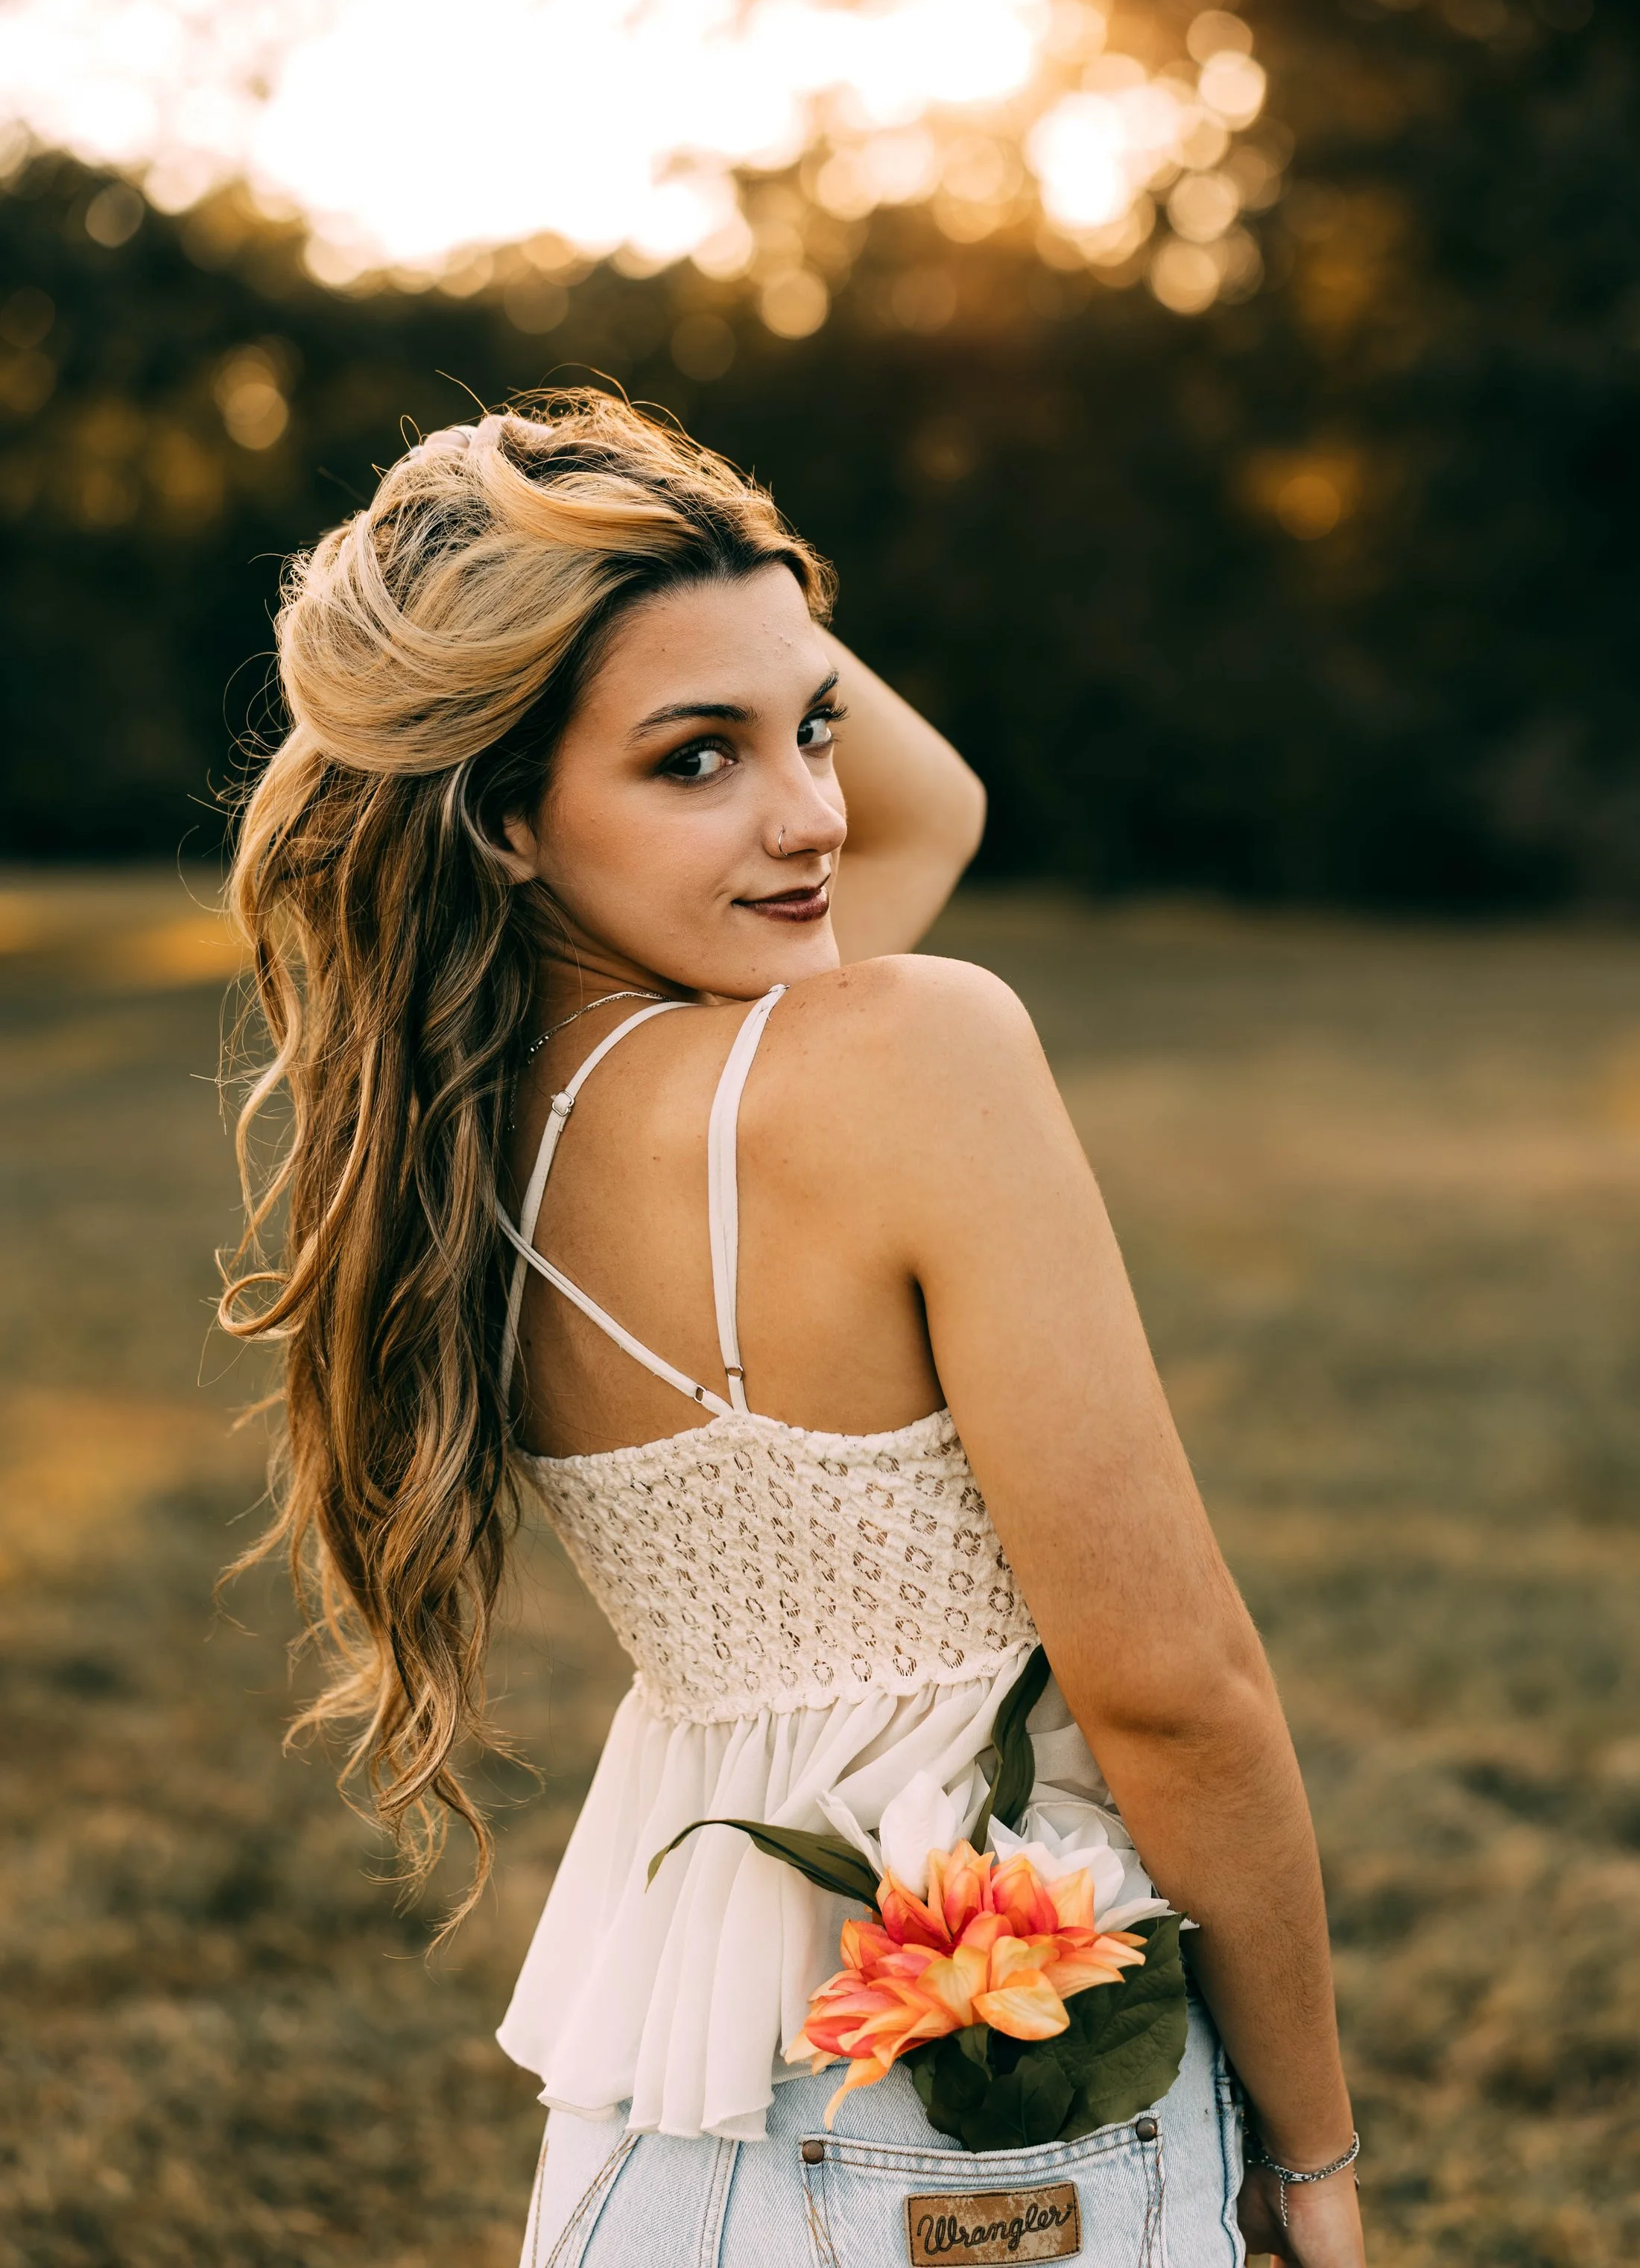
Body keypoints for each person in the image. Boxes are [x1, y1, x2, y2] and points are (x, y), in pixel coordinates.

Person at [223, 390, 1367, 2268]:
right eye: (695, 760)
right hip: (980, 2144)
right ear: (504, 819)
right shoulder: (900, 1062)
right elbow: (1173, 1692)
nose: (814, 815)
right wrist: (1309, 2161)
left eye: (809, 724)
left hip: (650, 2150)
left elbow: (928, 808)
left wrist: (665, 560)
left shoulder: (444, 1138)